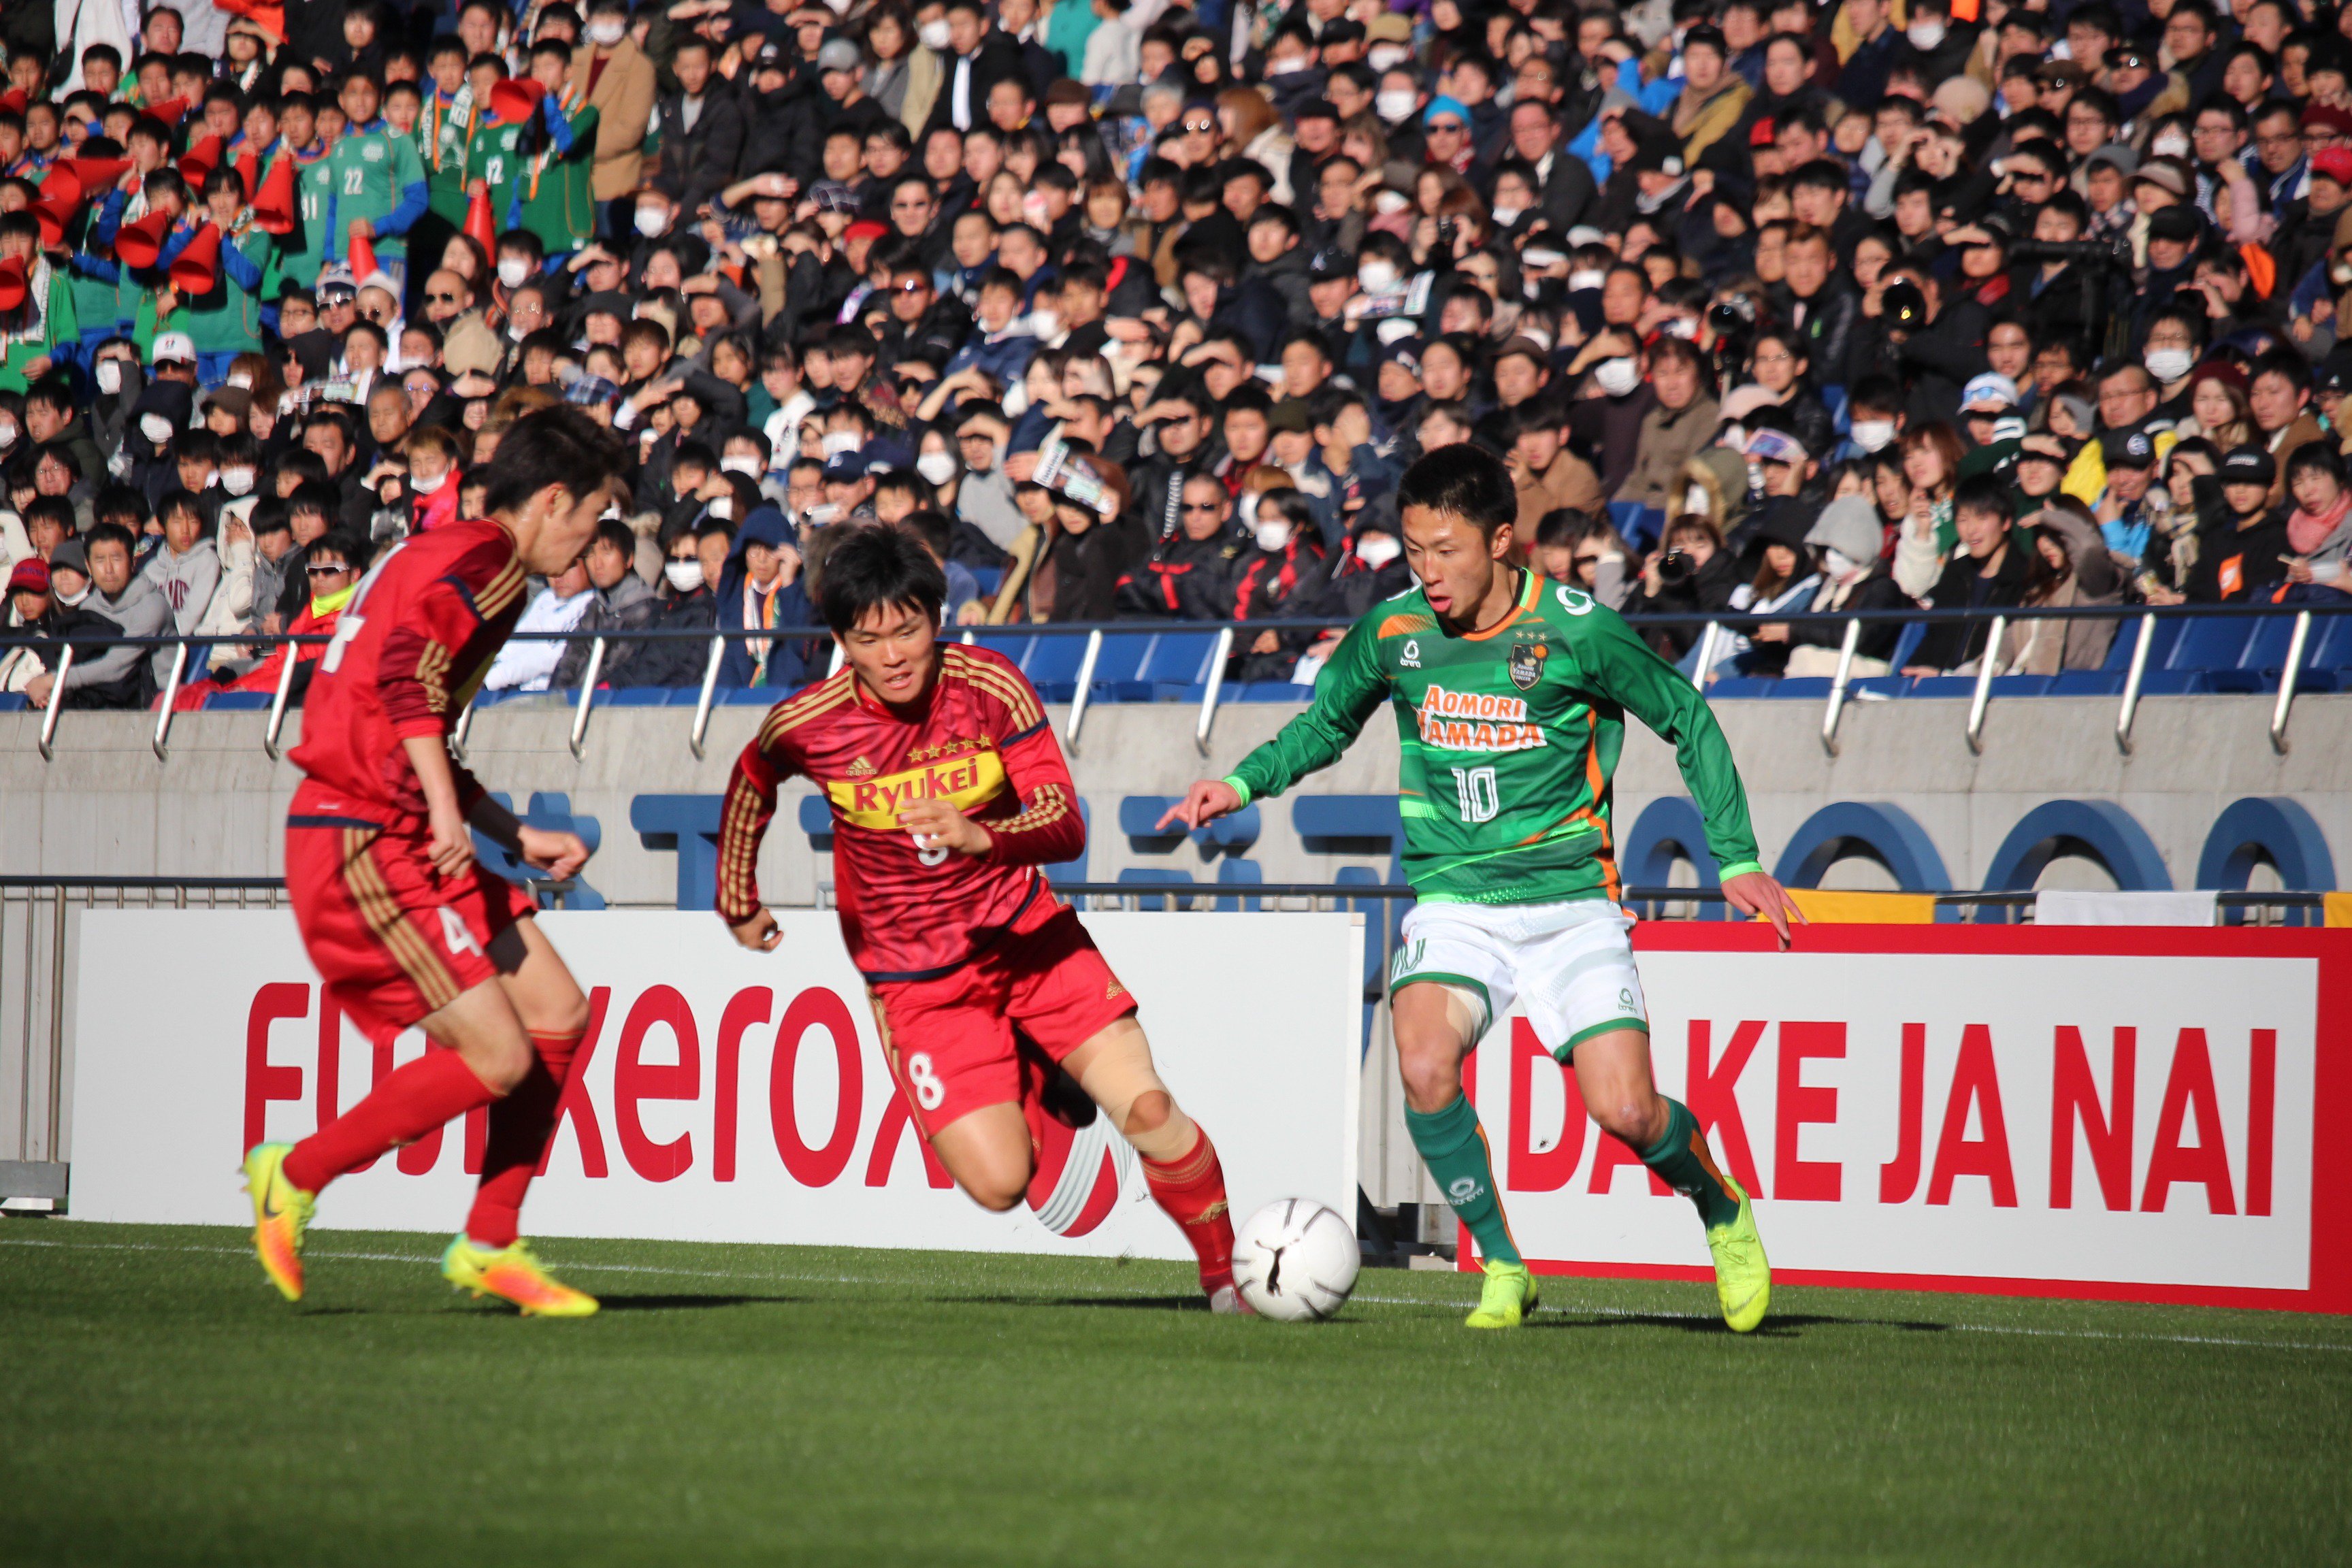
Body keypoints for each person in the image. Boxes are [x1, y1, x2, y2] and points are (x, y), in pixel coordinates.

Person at [1160, 444, 1799, 1333]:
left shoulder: (1575, 630)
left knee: (1627, 1112)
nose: (1430, 571)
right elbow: (1325, 724)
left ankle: (1723, 1211)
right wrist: (1240, 783)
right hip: (1456, 904)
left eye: (1447, 550)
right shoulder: (1397, 631)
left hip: (1572, 905)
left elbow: (1685, 716)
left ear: (1503, 541)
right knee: (1423, 1065)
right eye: (1414, 549)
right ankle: (1503, 1264)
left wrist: (1734, 857)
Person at [710, 524, 1247, 1311]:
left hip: (1031, 941)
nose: (894, 654)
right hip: (921, 984)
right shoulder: (809, 724)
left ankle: (1232, 1279)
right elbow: (753, 779)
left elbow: (1065, 825)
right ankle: (1037, 1067)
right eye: (870, 638)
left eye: (909, 630)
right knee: (1001, 1186)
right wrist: (738, 900)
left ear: (939, 617)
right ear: (841, 640)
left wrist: (981, 834)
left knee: (1152, 1109)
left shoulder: (990, 687)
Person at [240, 407, 630, 1318]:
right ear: (555, 501)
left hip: (403, 821)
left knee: (558, 1014)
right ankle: (293, 1174)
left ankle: (490, 1243)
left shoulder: (456, 555)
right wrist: (454, 814)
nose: (591, 539)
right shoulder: (490, 564)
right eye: (594, 517)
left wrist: (504, 828)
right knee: (498, 1054)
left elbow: (412, 708)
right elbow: (408, 680)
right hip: (363, 833)